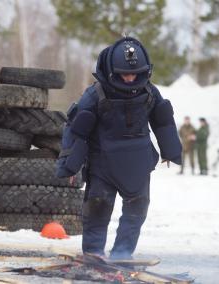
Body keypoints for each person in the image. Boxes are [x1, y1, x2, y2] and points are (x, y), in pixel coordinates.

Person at [56, 37, 182, 260]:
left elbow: (163, 120)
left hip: (138, 163)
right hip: (102, 163)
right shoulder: (96, 94)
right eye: (125, 74)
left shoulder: (149, 92)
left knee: (137, 210)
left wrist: (170, 150)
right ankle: (94, 252)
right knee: (98, 207)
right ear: (112, 71)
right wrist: (70, 164)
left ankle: (122, 254)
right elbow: (77, 129)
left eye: (134, 73)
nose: (130, 78)